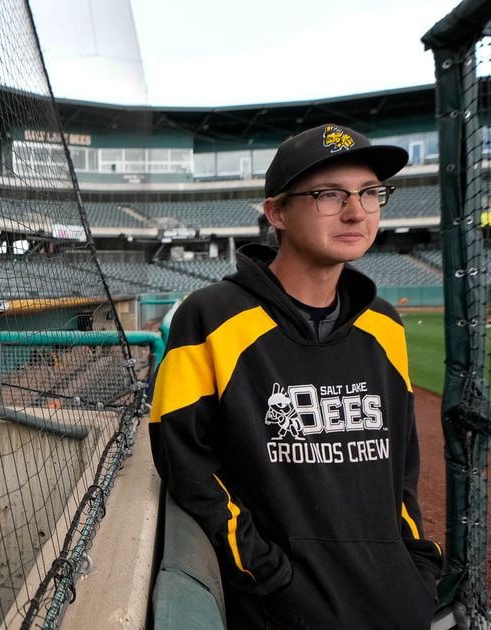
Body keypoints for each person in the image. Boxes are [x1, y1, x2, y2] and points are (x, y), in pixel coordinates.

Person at [150, 124, 443, 629]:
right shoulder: (211, 317)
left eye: (371, 193)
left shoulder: (385, 324)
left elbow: (402, 472)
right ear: (277, 211)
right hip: (283, 609)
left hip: (396, 603)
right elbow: (186, 464)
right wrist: (268, 576)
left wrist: (415, 565)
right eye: (330, 194)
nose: (357, 211)